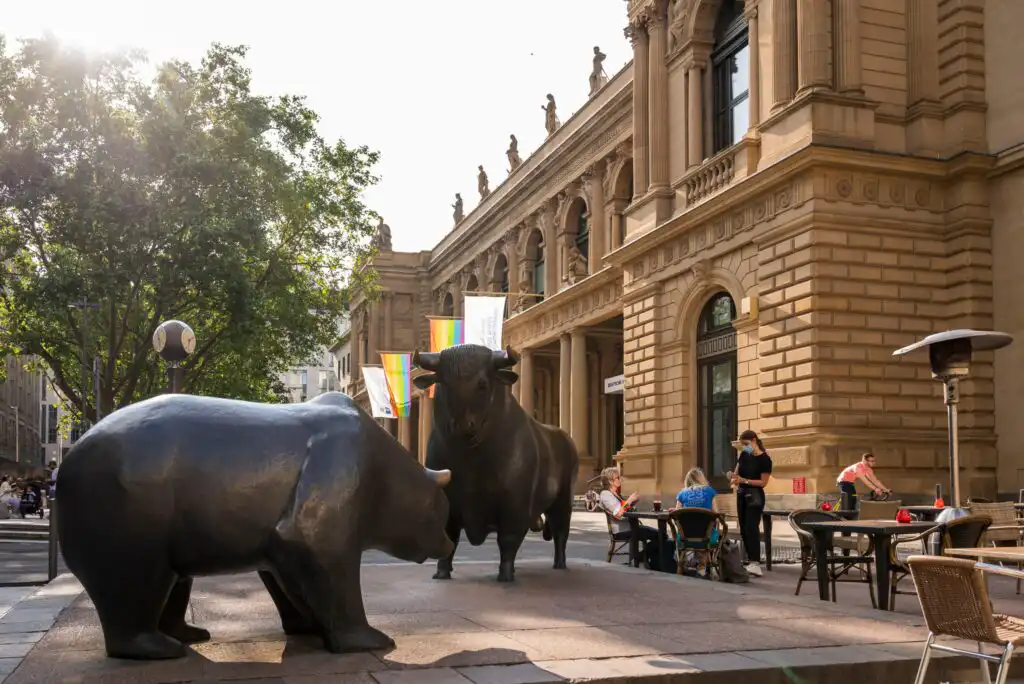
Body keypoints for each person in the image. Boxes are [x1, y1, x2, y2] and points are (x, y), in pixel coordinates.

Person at [729, 429, 772, 577]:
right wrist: (733, 479)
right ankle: (749, 561)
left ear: (754, 440)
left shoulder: (765, 459)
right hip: (741, 494)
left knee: (751, 527)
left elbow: (763, 482)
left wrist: (744, 481)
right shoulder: (744, 455)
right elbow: (737, 473)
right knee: (743, 529)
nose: (745, 447)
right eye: (742, 445)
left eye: (746, 444)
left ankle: (755, 562)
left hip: (755, 497)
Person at [598, 466, 660, 567]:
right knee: (660, 535)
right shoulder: (605, 494)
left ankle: (644, 557)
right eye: (617, 477)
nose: (620, 479)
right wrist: (629, 501)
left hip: (631, 527)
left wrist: (632, 502)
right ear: (610, 481)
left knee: (660, 534)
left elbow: (623, 509)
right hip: (622, 530)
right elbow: (618, 513)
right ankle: (641, 557)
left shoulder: (615, 494)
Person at [673, 467, 720, 577]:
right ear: (701, 479)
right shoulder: (710, 491)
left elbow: (676, 516)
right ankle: (704, 566)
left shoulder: (681, 494)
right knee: (711, 532)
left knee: (693, 531)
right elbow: (716, 515)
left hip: (685, 538)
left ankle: (692, 565)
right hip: (707, 537)